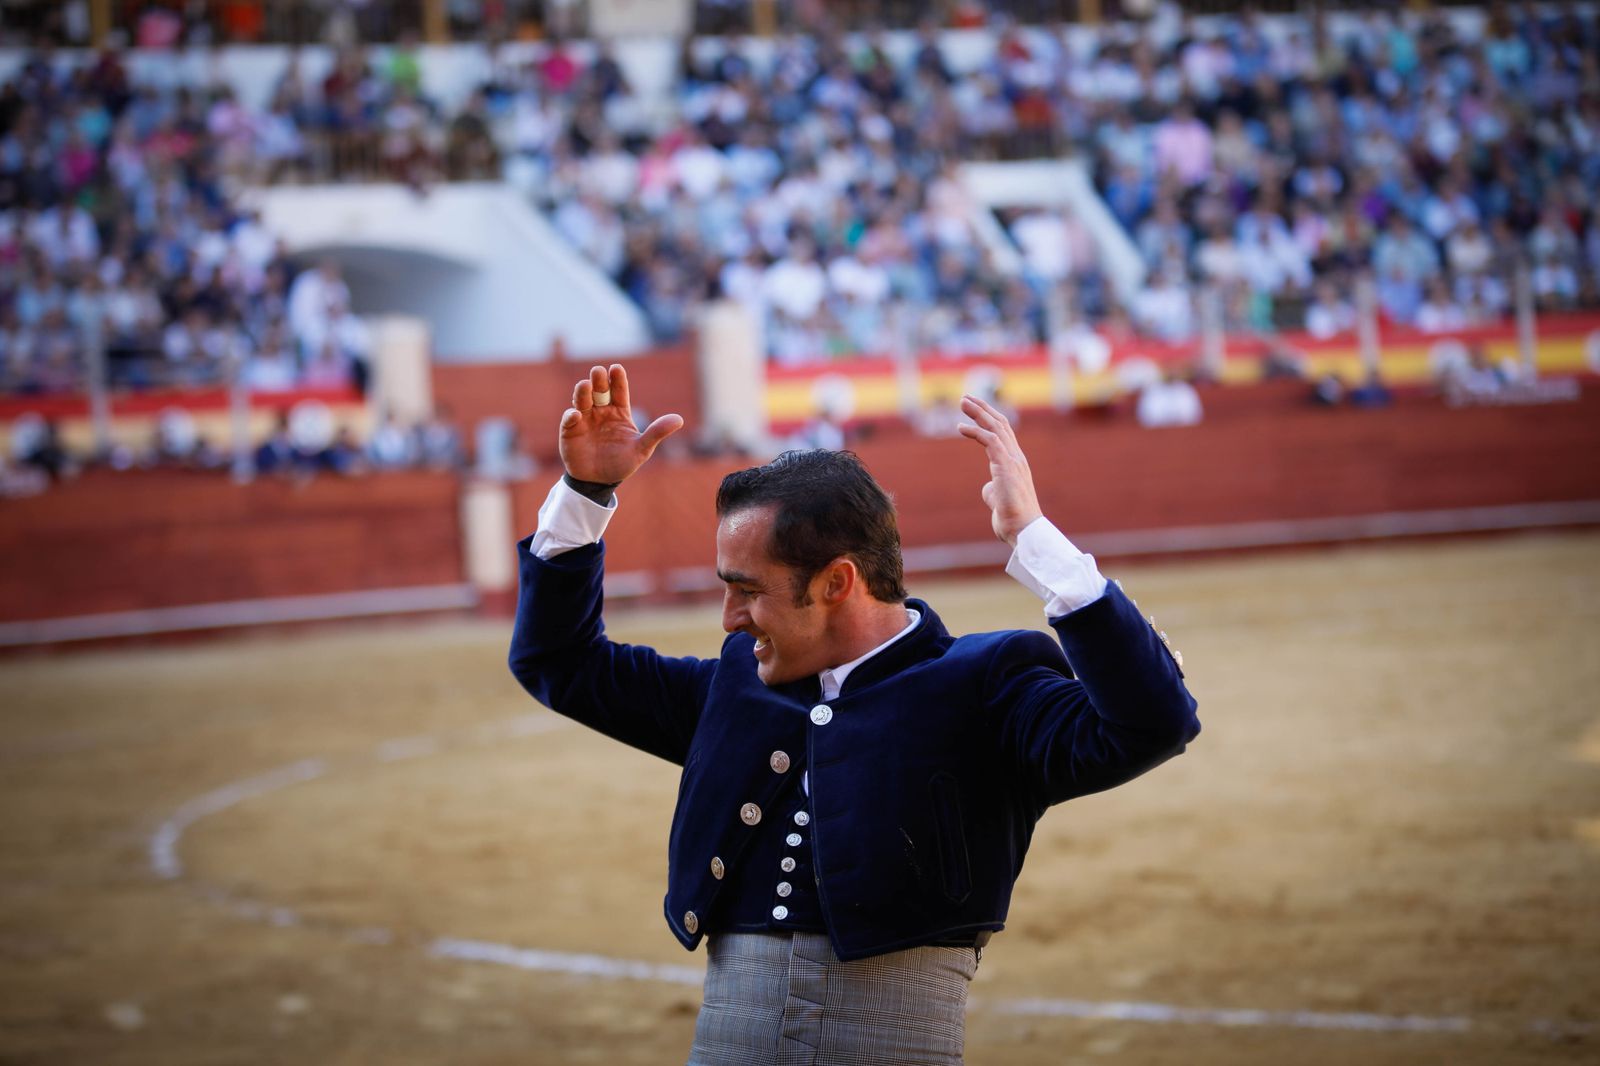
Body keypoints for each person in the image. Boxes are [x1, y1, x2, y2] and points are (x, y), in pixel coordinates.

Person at [508, 364, 1200, 1064]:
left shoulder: (987, 684)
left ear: (838, 581)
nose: (730, 618)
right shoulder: (736, 686)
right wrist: (585, 496)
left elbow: (1153, 722)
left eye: (748, 591)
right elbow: (559, 663)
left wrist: (1034, 539)